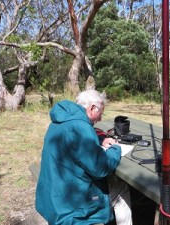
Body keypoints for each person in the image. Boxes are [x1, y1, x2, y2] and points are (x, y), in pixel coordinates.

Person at [35, 89, 132, 225]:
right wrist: (115, 148)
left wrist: (99, 139)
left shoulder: (61, 119)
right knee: (120, 188)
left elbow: (72, 140)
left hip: (51, 197)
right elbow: (101, 168)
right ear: (92, 108)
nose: (101, 118)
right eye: (100, 113)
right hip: (71, 207)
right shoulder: (80, 127)